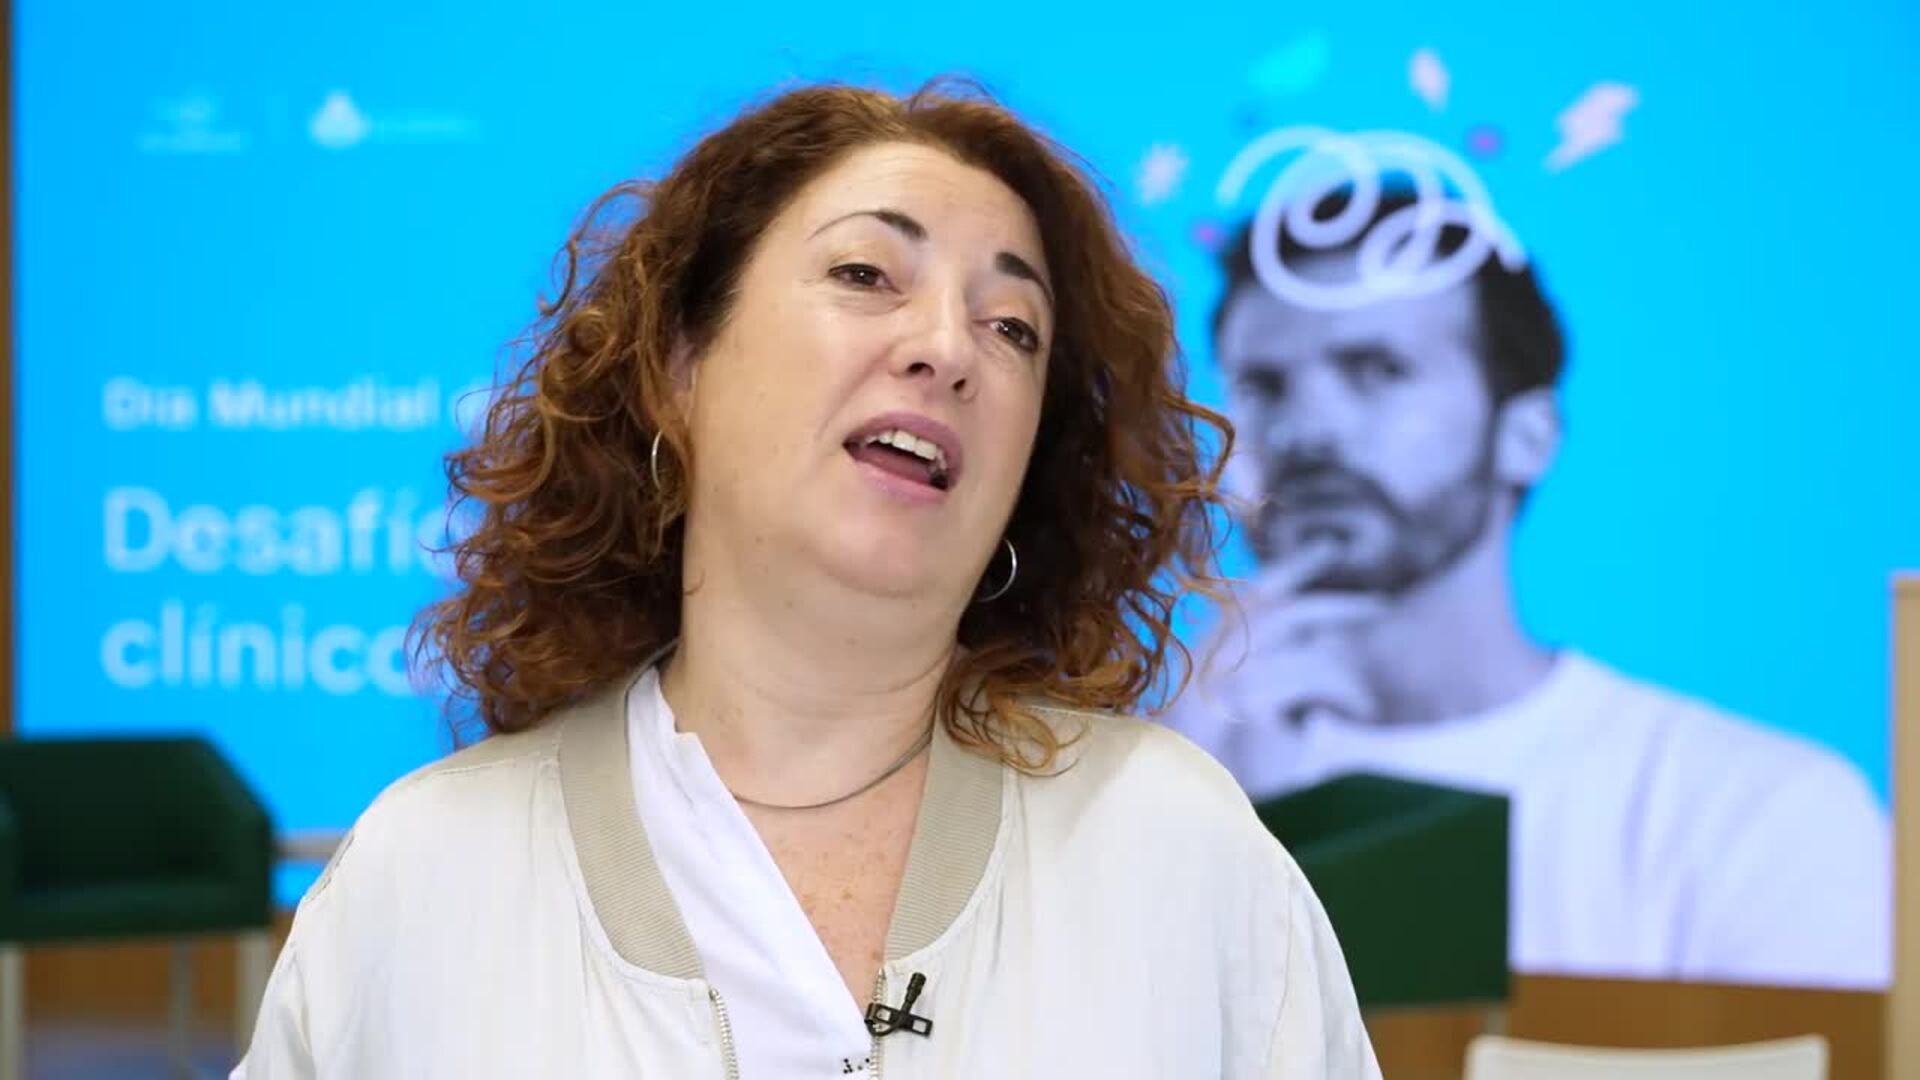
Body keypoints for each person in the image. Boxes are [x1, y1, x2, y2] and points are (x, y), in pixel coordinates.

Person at [233, 83, 1380, 1078]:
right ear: (677, 369)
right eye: (867, 273)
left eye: (1012, 327)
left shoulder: (1174, 849)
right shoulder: (424, 879)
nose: (948, 348)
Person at [1168, 178, 1891, 990]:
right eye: (1263, 387)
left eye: (1377, 369)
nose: (1307, 429)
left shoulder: (1755, 815)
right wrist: (1175, 813)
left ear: (1527, 436)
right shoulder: (1164, 781)